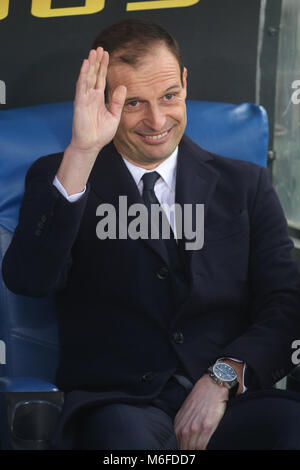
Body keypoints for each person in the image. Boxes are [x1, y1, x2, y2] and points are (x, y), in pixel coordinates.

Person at [2, 18, 300, 451]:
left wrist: (224, 378)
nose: (157, 120)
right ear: (103, 102)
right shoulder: (62, 175)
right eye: (134, 103)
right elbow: (29, 280)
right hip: (119, 406)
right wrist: (82, 153)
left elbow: (285, 304)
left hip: (232, 400)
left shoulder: (245, 184)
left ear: (185, 82)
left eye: (169, 96)